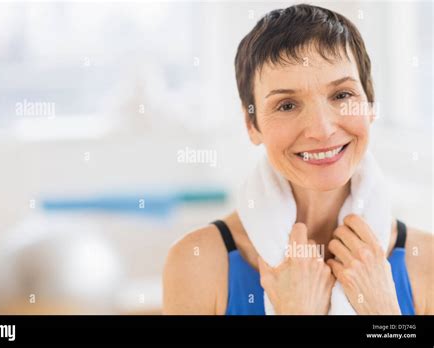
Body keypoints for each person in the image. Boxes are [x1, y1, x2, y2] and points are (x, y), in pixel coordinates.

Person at [163, 4, 433, 315]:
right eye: (287, 105)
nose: (322, 129)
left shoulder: (427, 262)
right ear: (252, 125)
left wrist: (385, 313)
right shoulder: (197, 263)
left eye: (342, 95)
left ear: (370, 104)